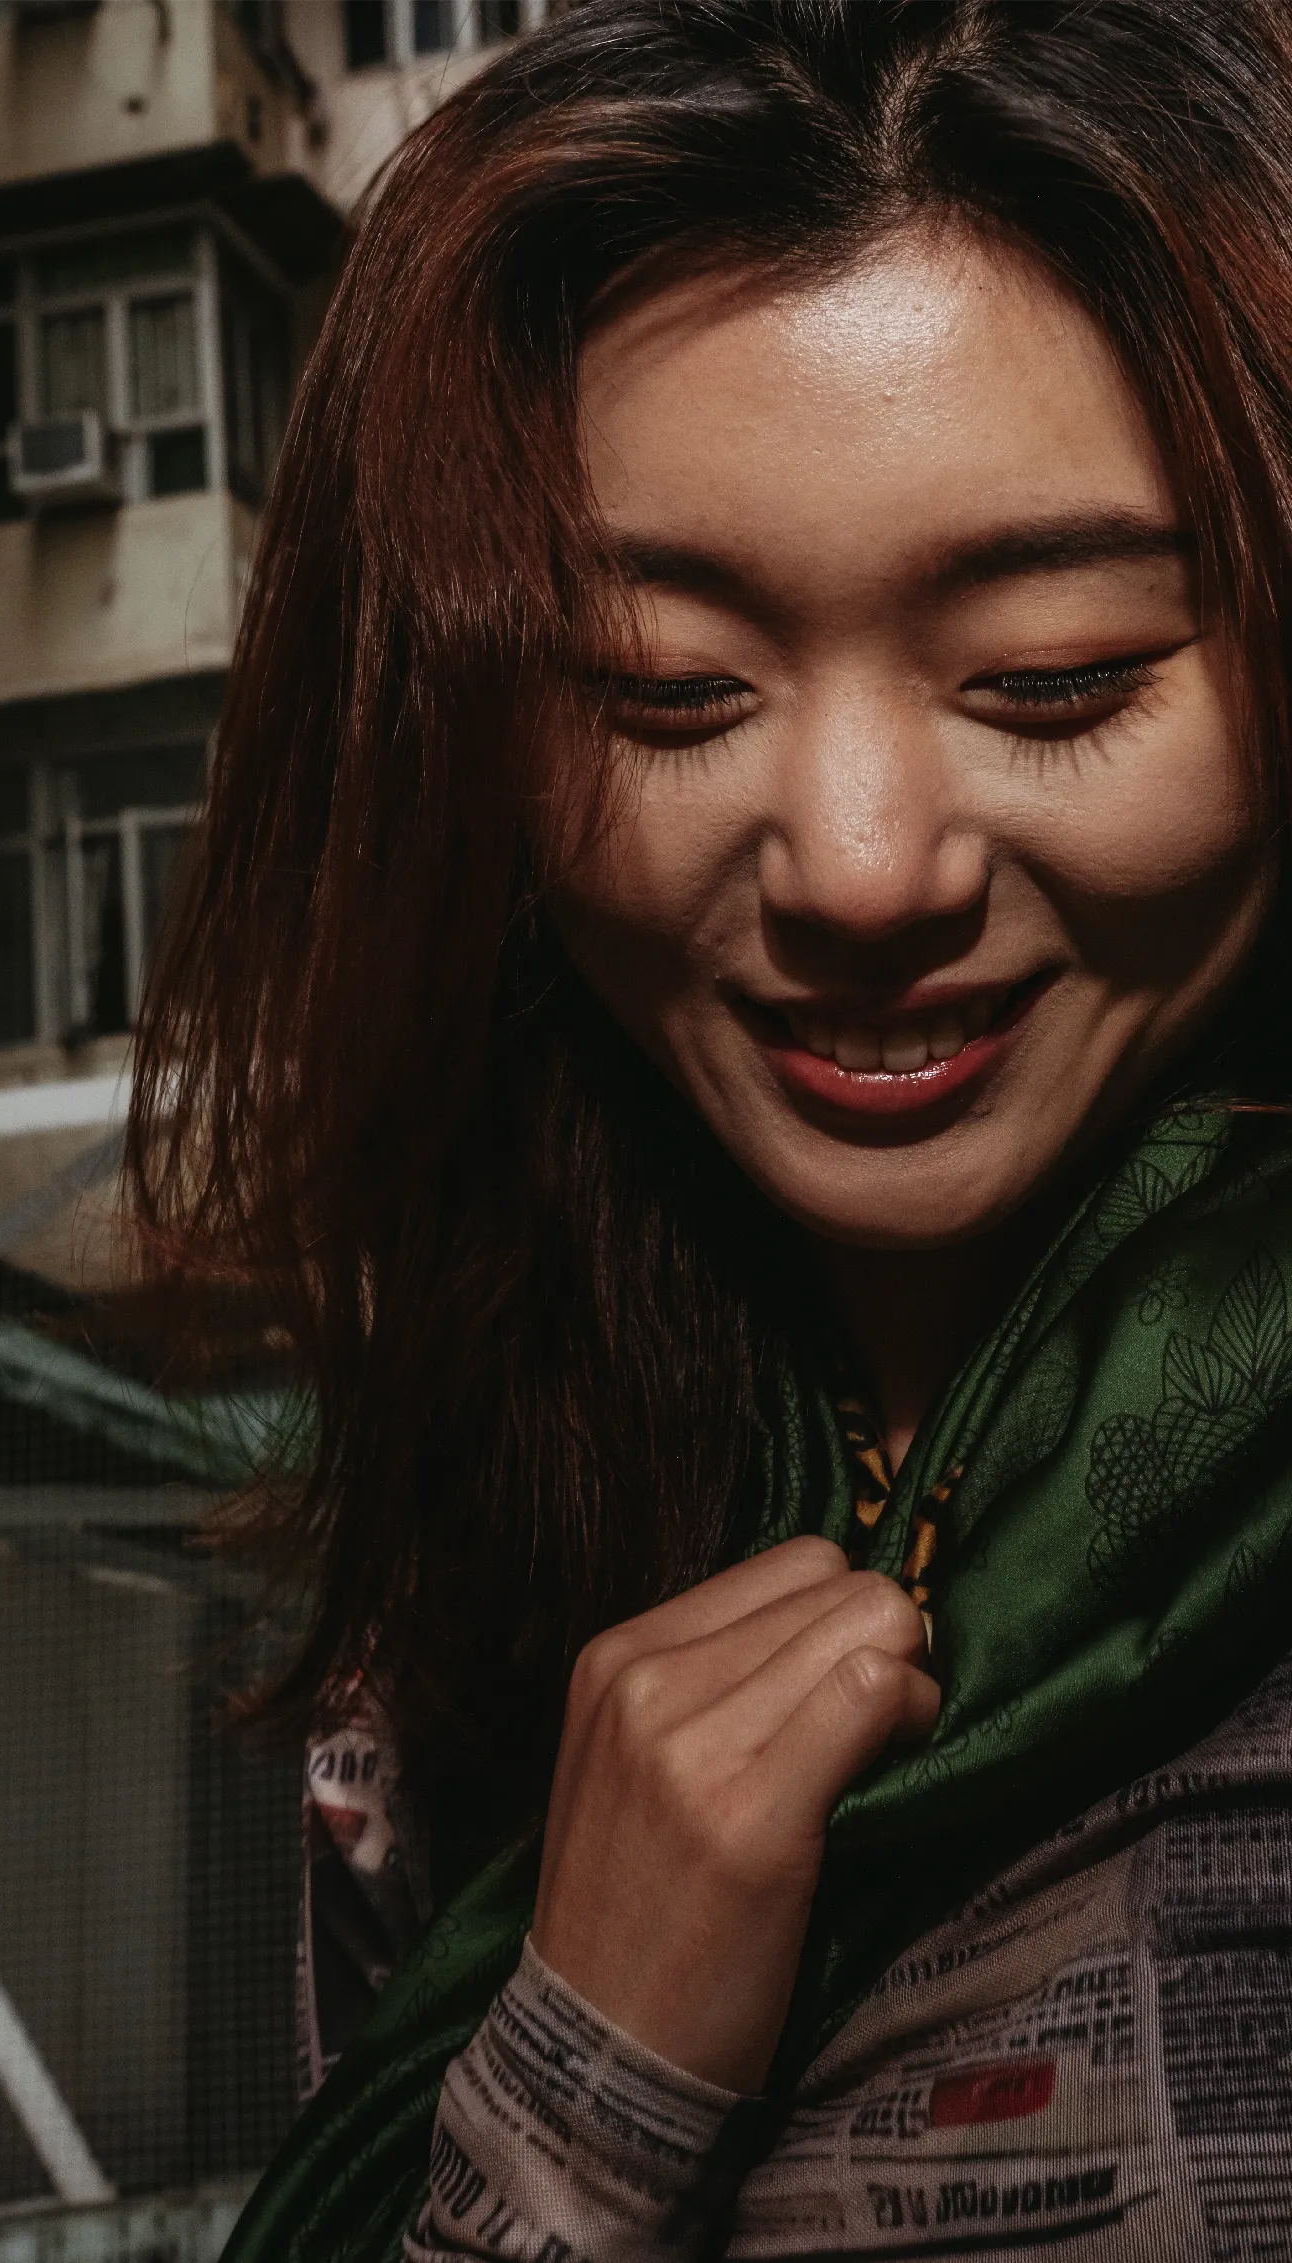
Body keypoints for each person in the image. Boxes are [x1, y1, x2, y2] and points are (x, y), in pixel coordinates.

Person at [128, 1, 1292, 2254]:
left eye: (1056, 672)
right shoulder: (456, 1575)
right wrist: (583, 2067)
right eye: (665, 694)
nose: (858, 867)